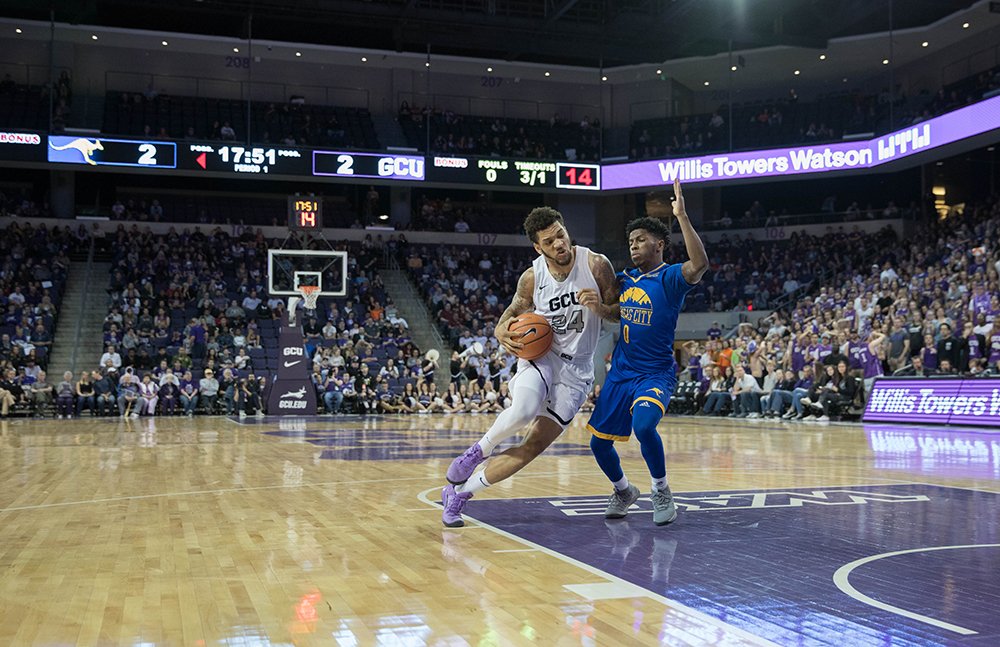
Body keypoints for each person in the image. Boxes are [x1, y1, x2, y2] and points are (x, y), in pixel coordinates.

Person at [441, 205, 620, 527]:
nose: (559, 245)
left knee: (534, 445)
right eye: (549, 242)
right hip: (541, 355)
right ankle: (477, 452)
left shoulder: (596, 264)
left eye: (561, 236)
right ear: (538, 247)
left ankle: (459, 494)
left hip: (577, 371)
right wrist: (499, 329)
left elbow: (620, 311)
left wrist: (602, 308)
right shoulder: (532, 276)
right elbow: (512, 312)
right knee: (523, 411)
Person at [586, 179, 709, 525]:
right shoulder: (625, 280)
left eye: (641, 240)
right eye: (631, 241)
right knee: (598, 445)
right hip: (621, 372)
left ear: (660, 244)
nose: (634, 245)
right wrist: (599, 307)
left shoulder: (670, 278)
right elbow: (617, 314)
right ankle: (624, 490)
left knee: (644, 426)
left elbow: (699, 263)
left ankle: (661, 489)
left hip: (655, 373)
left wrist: (682, 217)